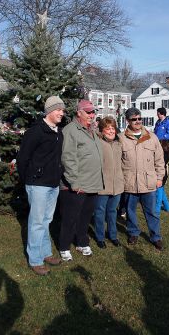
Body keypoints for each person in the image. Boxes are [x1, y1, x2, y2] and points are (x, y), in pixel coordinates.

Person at [17, 96, 65, 276]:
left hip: (53, 184)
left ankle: (45, 253)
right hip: (37, 185)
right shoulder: (35, 132)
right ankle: (35, 260)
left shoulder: (58, 133)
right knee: (37, 222)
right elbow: (23, 159)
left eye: (63, 110)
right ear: (49, 111)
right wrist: (29, 180)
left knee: (47, 220)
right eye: (59, 109)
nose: (62, 113)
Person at [59, 99, 104, 261]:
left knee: (85, 216)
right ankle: (64, 246)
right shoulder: (70, 130)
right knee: (70, 217)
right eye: (88, 112)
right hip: (76, 184)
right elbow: (67, 158)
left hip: (92, 183)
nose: (92, 115)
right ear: (79, 112)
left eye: (93, 112)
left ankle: (81, 242)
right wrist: (74, 182)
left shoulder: (91, 130)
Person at [120, 108, 165, 251]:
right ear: (128, 121)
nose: (138, 121)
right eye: (134, 119)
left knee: (151, 212)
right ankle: (133, 233)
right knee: (130, 211)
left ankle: (156, 236)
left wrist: (159, 178)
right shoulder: (121, 138)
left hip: (149, 183)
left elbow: (159, 160)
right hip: (129, 182)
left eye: (140, 119)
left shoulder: (152, 137)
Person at [94, 117, 124, 249]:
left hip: (117, 184)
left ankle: (113, 235)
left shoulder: (119, 143)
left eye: (113, 128)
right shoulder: (98, 143)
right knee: (100, 211)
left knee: (112, 211)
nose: (111, 131)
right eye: (108, 128)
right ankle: (100, 237)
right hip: (102, 184)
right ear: (102, 130)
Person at [154, 107, 169, 215]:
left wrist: (161, 139)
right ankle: (167, 206)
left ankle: (157, 208)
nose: (157, 115)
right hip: (157, 146)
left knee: (160, 187)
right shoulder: (157, 122)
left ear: (162, 114)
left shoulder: (168, 123)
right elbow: (155, 131)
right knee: (161, 188)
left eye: (158, 114)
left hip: (164, 146)